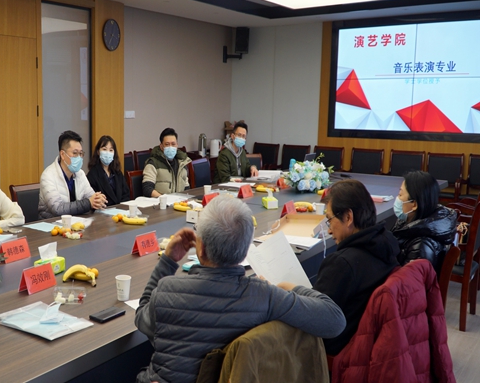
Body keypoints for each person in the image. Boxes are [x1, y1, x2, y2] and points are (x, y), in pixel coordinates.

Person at [135, 195, 346, 383]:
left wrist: (168, 261)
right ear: (245, 251)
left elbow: (142, 317)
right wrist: (288, 288)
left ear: (201, 248)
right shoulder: (263, 295)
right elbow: (335, 321)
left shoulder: (167, 290)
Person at [313, 179, 400, 356]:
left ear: (348, 217)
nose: (329, 231)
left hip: (337, 351)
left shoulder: (342, 264)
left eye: (329, 220)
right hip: (369, 343)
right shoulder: (388, 245)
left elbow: (315, 318)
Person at [390, 170, 458, 273]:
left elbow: (409, 281)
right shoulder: (409, 222)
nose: (397, 199)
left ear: (414, 205)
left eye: (400, 195)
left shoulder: (421, 247)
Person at [38, 130, 107, 219]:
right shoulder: (48, 175)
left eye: (81, 153)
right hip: (51, 224)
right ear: (62, 154)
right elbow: (57, 209)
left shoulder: (80, 173)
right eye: (75, 153)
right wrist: (89, 203)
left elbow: (91, 196)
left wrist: (98, 199)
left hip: (76, 222)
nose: (79, 157)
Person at [142, 127, 191, 197]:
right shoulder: (153, 163)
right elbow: (147, 189)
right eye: (167, 144)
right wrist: (164, 199)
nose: (170, 147)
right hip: (159, 202)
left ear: (177, 145)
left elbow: (186, 188)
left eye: (173, 144)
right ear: (161, 146)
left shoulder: (182, 163)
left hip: (179, 201)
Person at [86, 135, 130, 206]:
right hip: (103, 210)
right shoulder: (92, 175)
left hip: (121, 210)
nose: (107, 153)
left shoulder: (117, 172)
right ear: (98, 152)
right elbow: (94, 200)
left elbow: (126, 195)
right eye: (104, 149)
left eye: (111, 150)